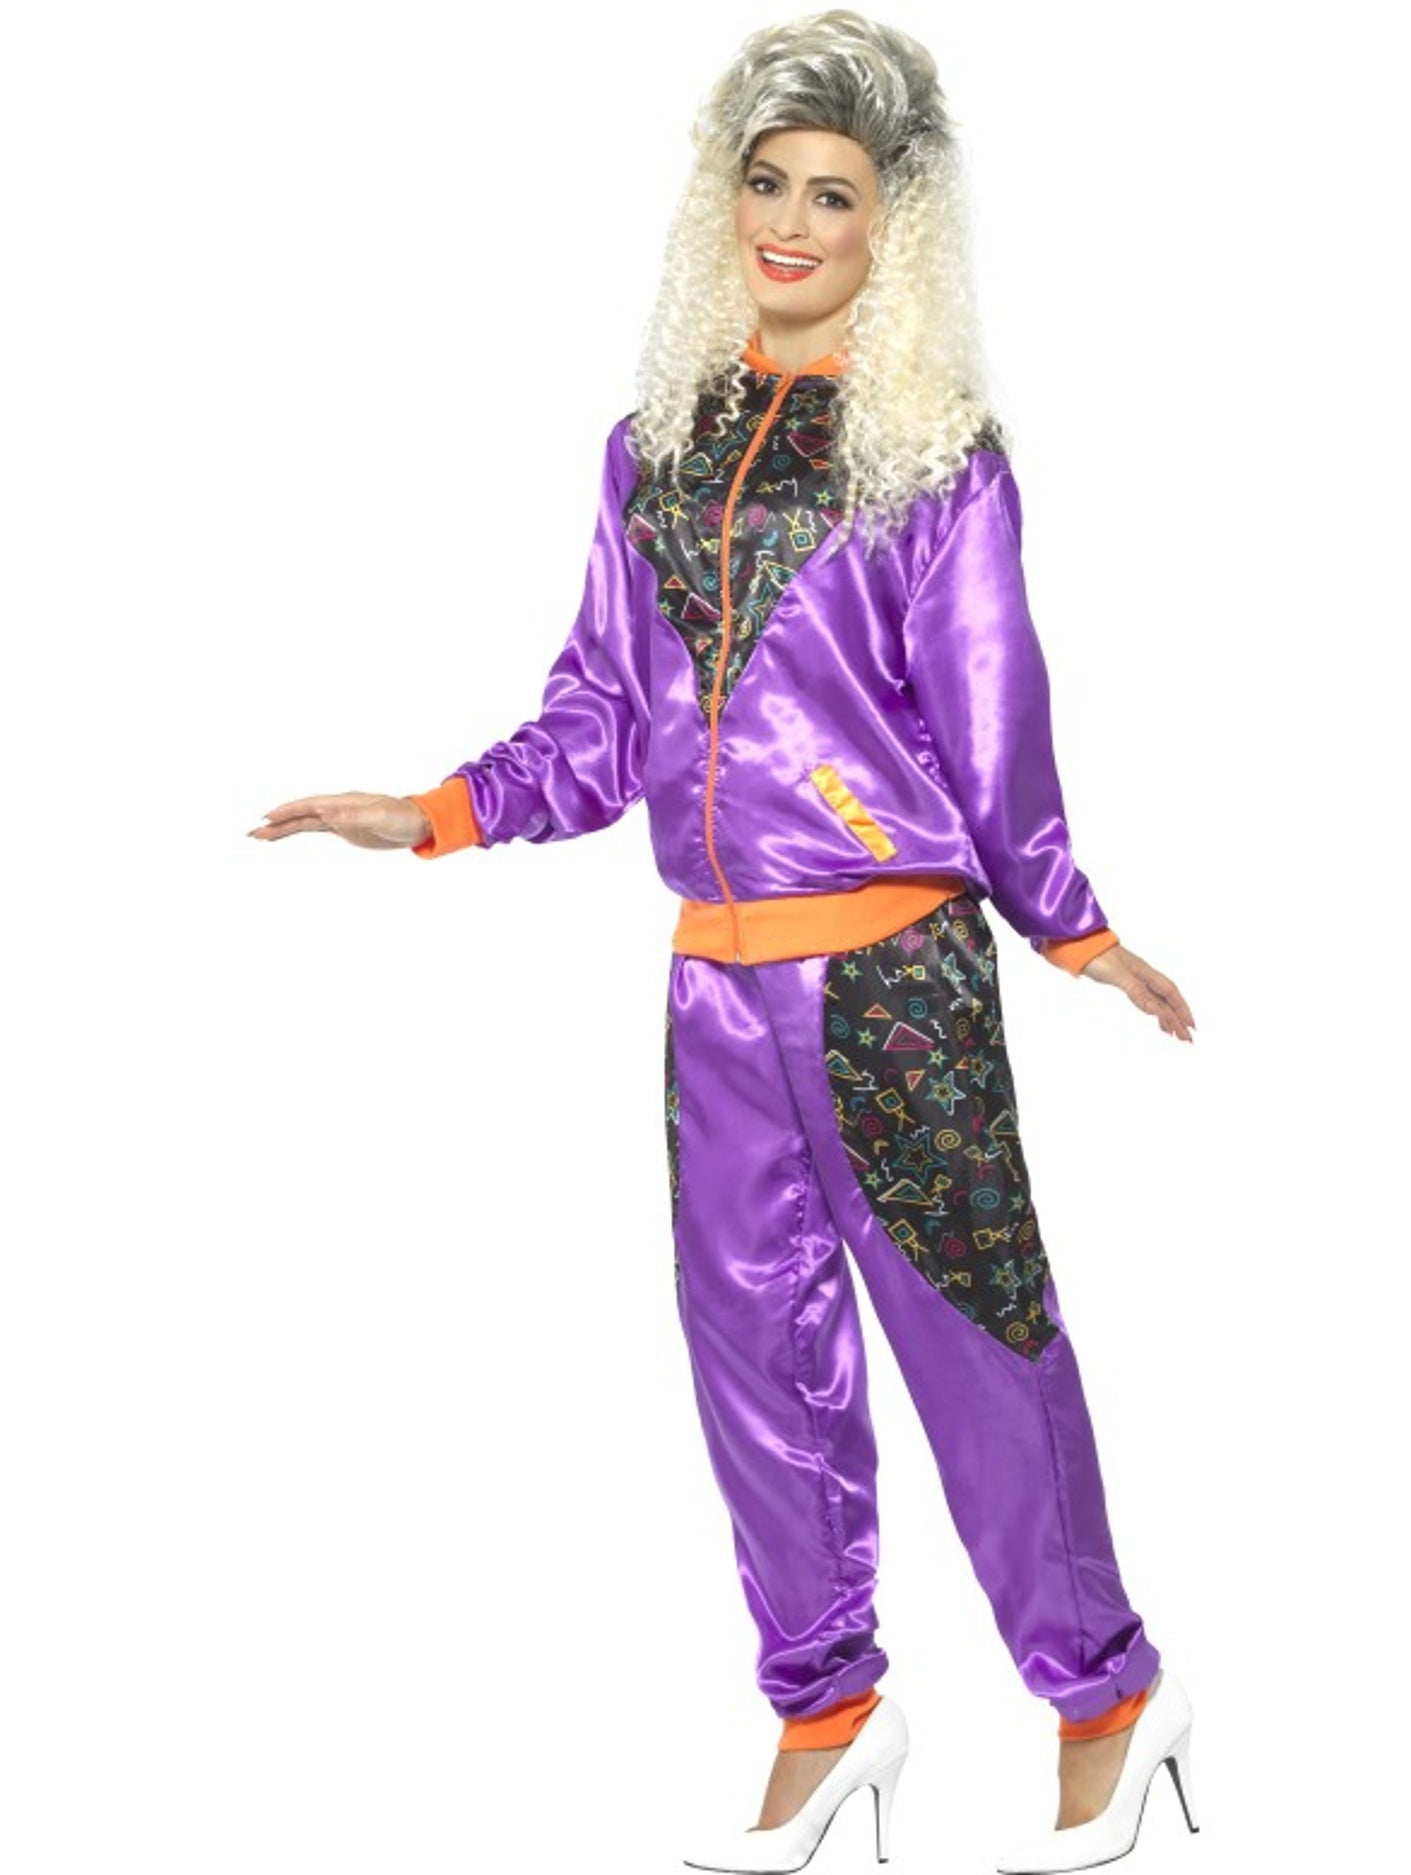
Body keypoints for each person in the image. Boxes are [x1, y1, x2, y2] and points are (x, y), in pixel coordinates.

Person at [250, 12, 1201, 1872]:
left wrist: (1068, 927)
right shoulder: (652, 449)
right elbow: (603, 717)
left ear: (889, 226)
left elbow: (994, 719)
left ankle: (1103, 1694)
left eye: (831, 195)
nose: (788, 221)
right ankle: (826, 1711)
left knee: (974, 1346)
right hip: (710, 977)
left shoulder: (933, 462)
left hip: (893, 980)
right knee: (755, 1362)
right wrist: (433, 811)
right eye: (766, 182)